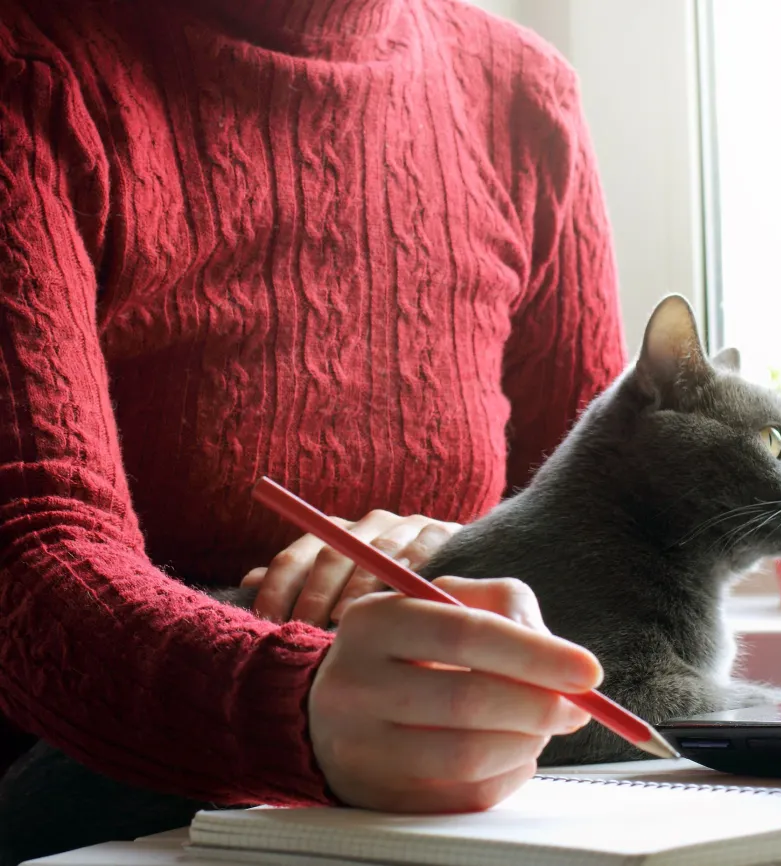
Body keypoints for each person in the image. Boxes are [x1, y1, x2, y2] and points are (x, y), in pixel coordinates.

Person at [0, 0, 627, 827]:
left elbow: (616, 534)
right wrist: (292, 706)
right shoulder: (36, 63)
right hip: (103, 807)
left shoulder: (524, 93)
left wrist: (463, 549)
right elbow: (32, 549)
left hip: (456, 806)